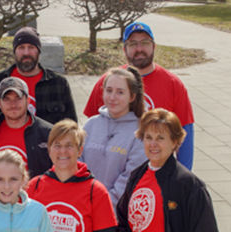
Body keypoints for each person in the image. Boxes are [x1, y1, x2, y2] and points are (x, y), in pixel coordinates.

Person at [82, 22, 195, 170]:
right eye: (133, 43)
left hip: (158, 173)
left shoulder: (173, 84)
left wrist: (184, 178)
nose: (139, 49)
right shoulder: (108, 83)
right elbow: (91, 131)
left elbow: (185, 132)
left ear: (154, 46)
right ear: (124, 49)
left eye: (145, 43)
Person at [79, 67, 147, 206]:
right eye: (109, 90)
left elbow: (129, 178)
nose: (112, 97)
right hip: (84, 206)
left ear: (132, 97)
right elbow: (77, 163)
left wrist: (103, 206)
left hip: (116, 213)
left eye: (120, 92)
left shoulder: (140, 131)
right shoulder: (90, 125)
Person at [0, 26, 77, 125]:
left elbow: (71, 126)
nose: (26, 53)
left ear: (39, 51)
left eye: (31, 47)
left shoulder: (59, 83)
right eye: (21, 47)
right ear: (14, 51)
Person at [0, 77, 54, 178]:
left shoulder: (48, 133)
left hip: (36, 193)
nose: (13, 104)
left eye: (18, 98)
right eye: (7, 99)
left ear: (28, 100)